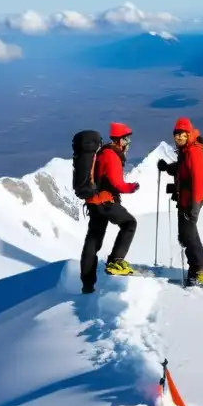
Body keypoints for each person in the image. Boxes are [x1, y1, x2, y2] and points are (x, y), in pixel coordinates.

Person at [79, 122, 140, 292]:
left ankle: (87, 284)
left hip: (93, 202)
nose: (128, 142)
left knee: (93, 240)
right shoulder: (112, 155)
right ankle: (115, 261)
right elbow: (116, 183)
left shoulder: (103, 152)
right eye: (127, 139)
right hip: (104, 201)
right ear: (120, 139)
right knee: (129, 224)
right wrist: (132, 187)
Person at [158, 117, 203, 287]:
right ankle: (195, 272)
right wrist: (167, 168)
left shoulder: (193, 152)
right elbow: (182, 169)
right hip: (185, 200)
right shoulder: (186, 151)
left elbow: (198, 180)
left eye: (182, 134)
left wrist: (194, 207)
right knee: (187, 235)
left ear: (189, 134)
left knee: (188, 235)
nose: (178, 137)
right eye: (176, 134)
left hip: (190, 202)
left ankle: (201, 271)